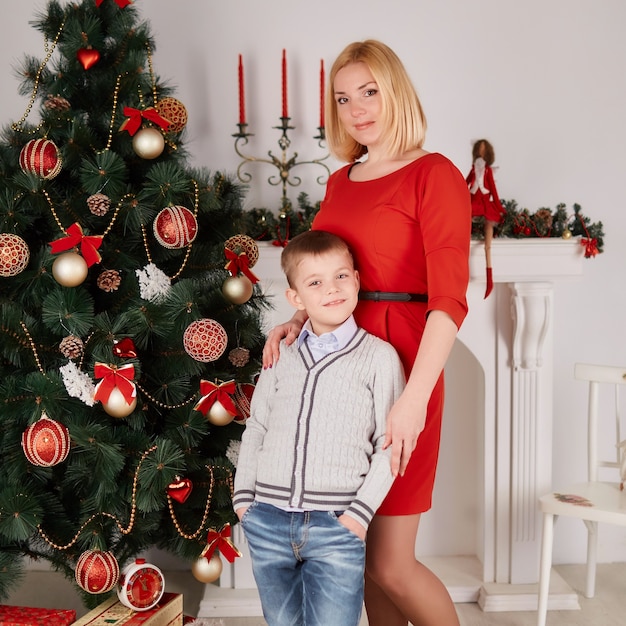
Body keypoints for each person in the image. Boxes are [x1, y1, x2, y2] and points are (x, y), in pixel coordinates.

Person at [262, 40, 471, 626]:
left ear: (396, 90)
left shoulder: (435, 174)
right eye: (343, 98)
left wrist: (413, 400)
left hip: (404, 360)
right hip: (339, 366)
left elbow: (449, 301)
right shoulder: (340, 181)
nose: (357, 109)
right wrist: (300, 317)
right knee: (357, 558)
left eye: (370, 91)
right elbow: (329, 269)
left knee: (390, 564)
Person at [233, 229, 405, 626]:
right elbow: (257, 425)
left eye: (341, 276)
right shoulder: (282, 352)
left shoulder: (378, 358)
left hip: (337, 523)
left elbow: (389, 443)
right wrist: (245, 500)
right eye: (316, 282)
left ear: (357, 280)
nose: (332, 289)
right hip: (268, 519)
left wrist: (358, 517)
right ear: (296, 299)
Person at [466, 138, 505, 298]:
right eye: (479, 150)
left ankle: (490, 278)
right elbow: (465, 182)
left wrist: (499, 206)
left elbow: (493, 189)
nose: (481, 153)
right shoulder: (474, 168)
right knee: (464, 221)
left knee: (489, 226)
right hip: (473, 201)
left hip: (485, 202)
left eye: (484, 150)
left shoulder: (488, 170)